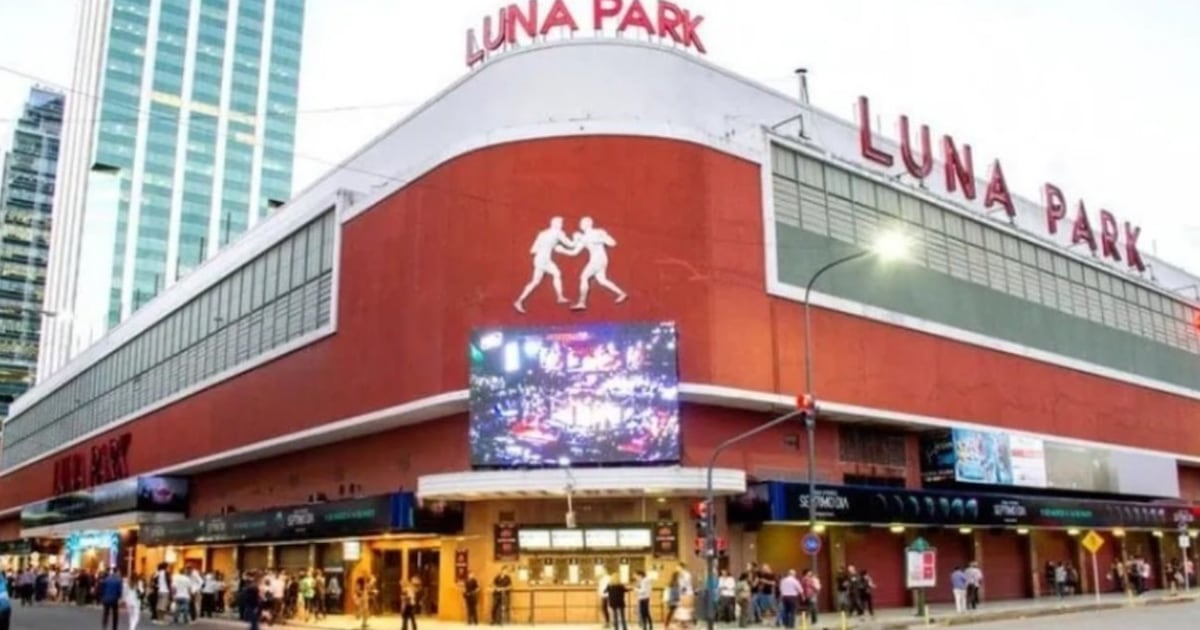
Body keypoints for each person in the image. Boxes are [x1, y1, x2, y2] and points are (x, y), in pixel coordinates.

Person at [514, 216, 574, 312]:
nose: (562, 225)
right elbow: (571, 245)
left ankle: (519, 300)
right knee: (547, 277)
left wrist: (550, 245)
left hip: (539, 259)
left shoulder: (542, 233)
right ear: (556, 224)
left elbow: (533, 250)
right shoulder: (558, 232)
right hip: (544, 260)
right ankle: (559, 296)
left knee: (543, 278)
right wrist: (578, 238)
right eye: (561, 223)